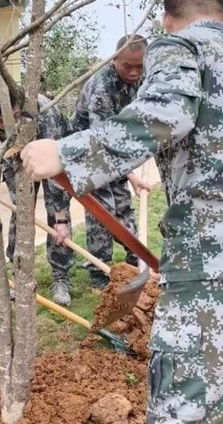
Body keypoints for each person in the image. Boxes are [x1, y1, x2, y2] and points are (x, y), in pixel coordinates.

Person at [20, 0, 223, 423]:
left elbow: (167, 114)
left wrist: (64, 152)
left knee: (186, 413)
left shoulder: (179, 46)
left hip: (212, 270)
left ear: (167, 20)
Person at [0, 85, 75, 306]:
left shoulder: (43, 112)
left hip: (54, 151)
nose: (9, 125)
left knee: (57, 214)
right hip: (16, 154)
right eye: (0, 121)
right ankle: (20, 277)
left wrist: (62, 218)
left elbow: (57, 173)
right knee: (21, 213)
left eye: (14, 117)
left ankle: (60, 277)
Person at [69, 34, 153, 288]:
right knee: (102, 212)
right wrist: (131, 175)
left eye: (140, 66)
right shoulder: (101, 87)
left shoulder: (143, 80)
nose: (134, 72)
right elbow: (101, 138)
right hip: (89, 152)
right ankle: (99, 273)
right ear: (115, 59)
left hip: (115, 153)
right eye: (128, 66)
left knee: (123, 207)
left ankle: (136, 263)